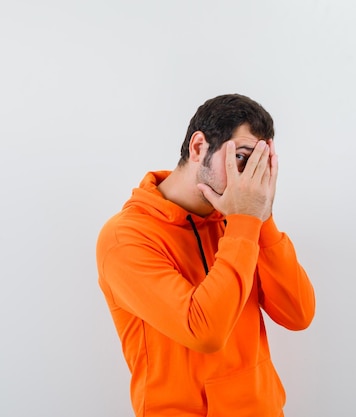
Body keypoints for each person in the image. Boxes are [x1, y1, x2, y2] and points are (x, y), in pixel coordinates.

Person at [96, 93, 315, 417]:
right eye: (242, 158)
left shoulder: (238, 218)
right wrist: (244, 223)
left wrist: (262, 218)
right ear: (199, 148)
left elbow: (298, 314)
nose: (252, 177)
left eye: (261, 162)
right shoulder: (124, 238)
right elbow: (204, 331)